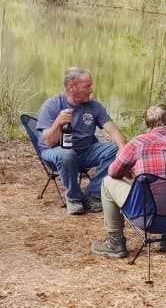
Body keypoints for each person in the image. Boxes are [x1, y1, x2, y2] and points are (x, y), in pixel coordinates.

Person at [91, 103, 166, 260]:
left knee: (107, 182)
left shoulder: (137, 143)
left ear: (148, 125)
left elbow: (113, 172)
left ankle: (115, 243)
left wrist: (132, 172)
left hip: (147, 218)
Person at [36, 68, 127, 215]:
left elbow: (113, 130)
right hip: (56, 151)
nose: (91, 90)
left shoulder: (94, 106)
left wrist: (123, 146)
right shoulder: (52, 105)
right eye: (87, 86)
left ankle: (92, 194)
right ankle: (73, 198)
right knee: (67, 154)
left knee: (115, 149)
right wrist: (58, 123)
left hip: (86, 150)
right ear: (72, 87)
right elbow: (48, 142)